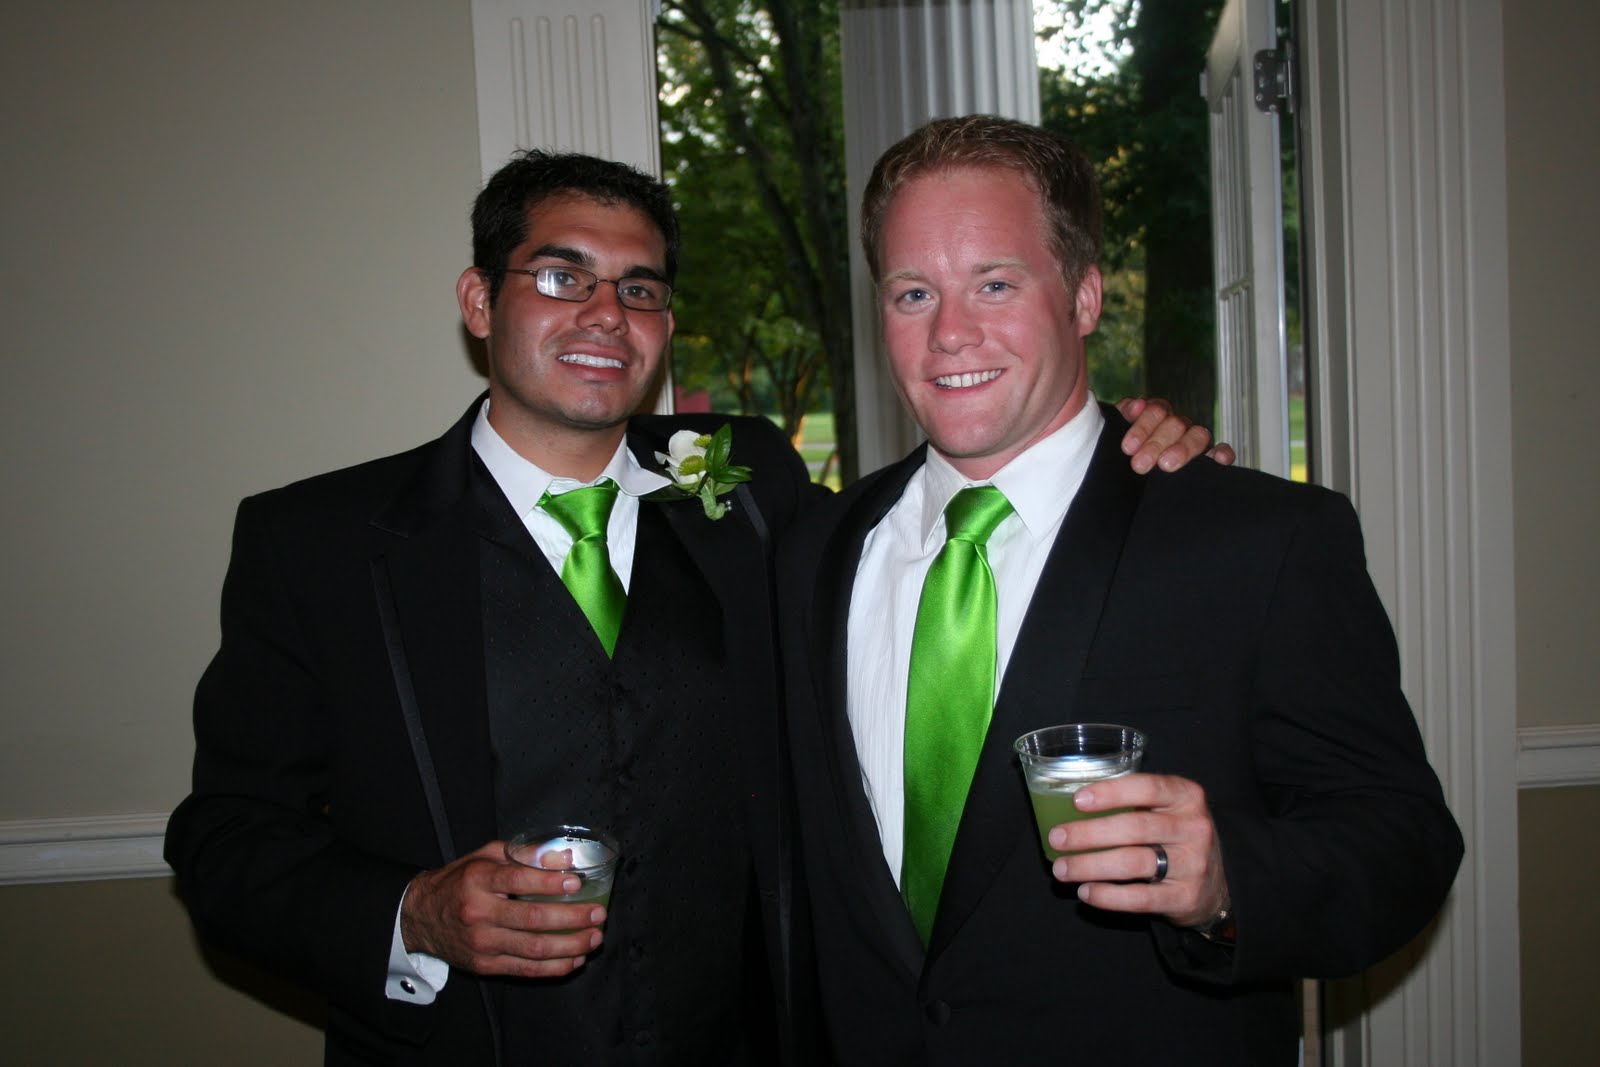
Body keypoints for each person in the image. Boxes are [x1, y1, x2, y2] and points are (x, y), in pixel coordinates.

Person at [163, 148, 1218, 1065]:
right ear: (480, 302)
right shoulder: (321, 544)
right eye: (560, 275)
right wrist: (416, 915)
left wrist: (1126, 452)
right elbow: (226, 840)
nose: (604, 315)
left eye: (640, 288)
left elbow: (961, 504)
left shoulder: (750, 491)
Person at [776, 115, 1463, 1066]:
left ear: (1085, 296)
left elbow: (1402, 842)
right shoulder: (813, 552)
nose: (950, 332)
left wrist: (1227, 881)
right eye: (913, 292)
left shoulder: (1256, 540)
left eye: (996, 283)